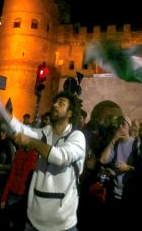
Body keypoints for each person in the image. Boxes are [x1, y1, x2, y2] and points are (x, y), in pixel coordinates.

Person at [9, 91, 85, 231]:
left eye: (61, 103)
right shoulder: (44, 132)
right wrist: (8, 117)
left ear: (70, 113)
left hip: (62, 224)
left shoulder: (77, 136)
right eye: (55, 102)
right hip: (33, 219)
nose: (55, 105)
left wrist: (32, 142)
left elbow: (61, 157)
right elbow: (24, 130)